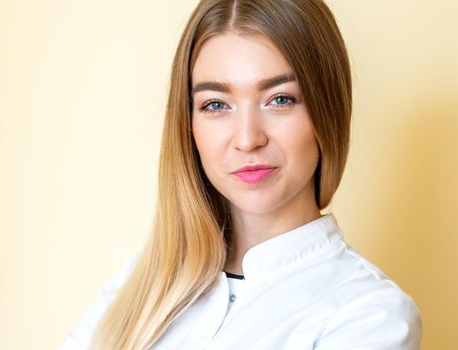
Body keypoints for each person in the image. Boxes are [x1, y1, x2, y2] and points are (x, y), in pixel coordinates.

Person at [60, 0, 422, 349]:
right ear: (189, 125)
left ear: (327, 111)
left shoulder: (371, 314)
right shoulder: (143, 284)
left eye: (280, 99)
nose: (248, 140)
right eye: (216, 105)